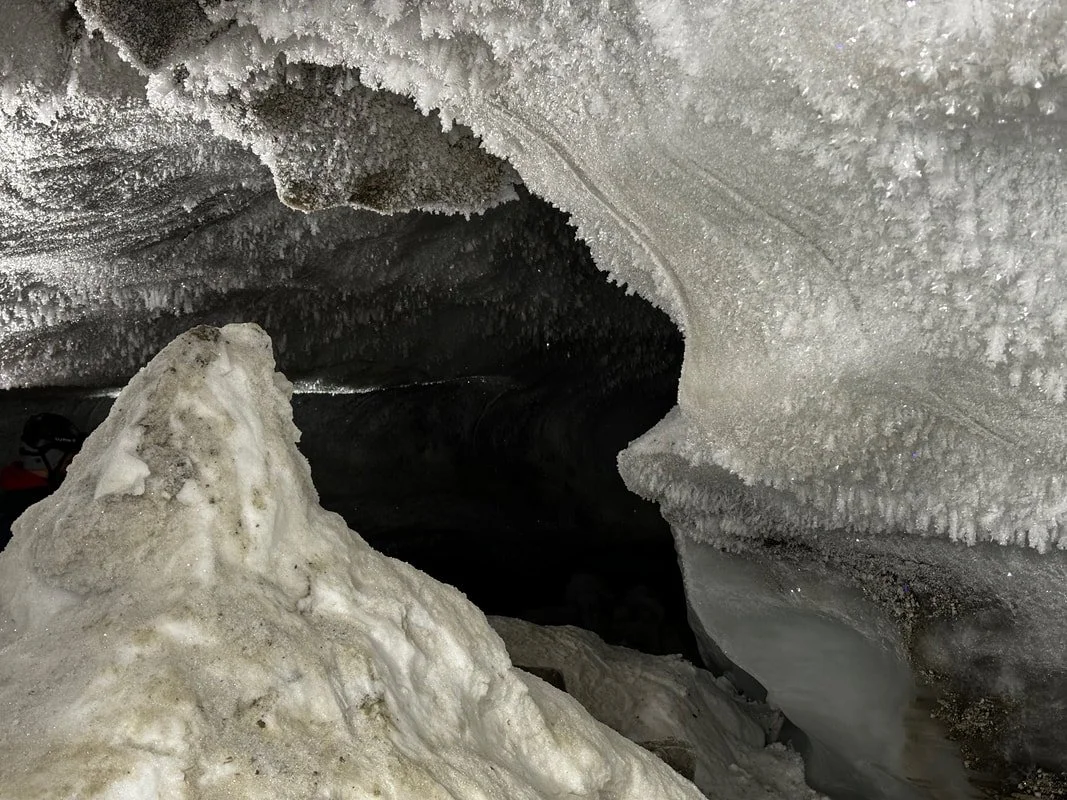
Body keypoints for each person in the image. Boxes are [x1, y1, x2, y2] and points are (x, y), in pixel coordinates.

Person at [0, 413, 86, 551]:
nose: (71, 467)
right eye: (69, 460)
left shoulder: (11, 493)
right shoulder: (25, 511)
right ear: (52, 458)